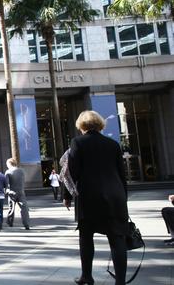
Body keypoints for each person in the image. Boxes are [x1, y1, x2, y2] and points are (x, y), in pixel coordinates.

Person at [63, 110, 128, 285]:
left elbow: (71, 172)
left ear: (81, 125)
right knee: (117, 239)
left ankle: (87, 276)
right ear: (100, 124)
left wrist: (67, 196)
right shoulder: (113, 144)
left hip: (89, 197)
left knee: (86, 236)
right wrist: (124, 198)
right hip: (115, 196)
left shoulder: (77, 143)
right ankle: (120, 281)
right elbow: (122, 174)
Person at [5, 158, 31, 230]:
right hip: (21, 192)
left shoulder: (8, 172)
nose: (6, 165)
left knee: (11, 208)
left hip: (12, 192)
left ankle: (10, 222)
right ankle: (26, 224)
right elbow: (23, 181)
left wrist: (7, 191)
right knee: (24, 208)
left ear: (9, 164)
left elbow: (6, 183)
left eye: (7, 164)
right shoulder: (21, 171)